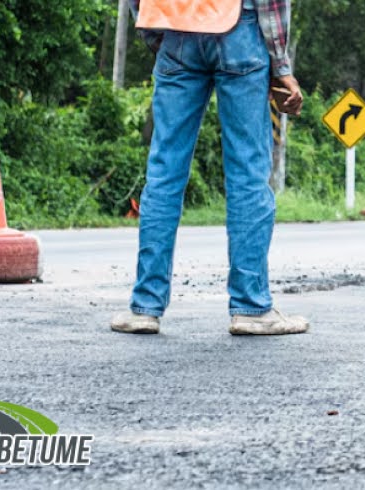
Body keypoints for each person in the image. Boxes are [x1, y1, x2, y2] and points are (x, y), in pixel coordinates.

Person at [111, 0, 308, 336]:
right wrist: (281, 65)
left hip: (175, 28)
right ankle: (251, 307)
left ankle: (145, 306)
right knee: (247, 171)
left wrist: (156, 34)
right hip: (239, 27)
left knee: (164, 171)